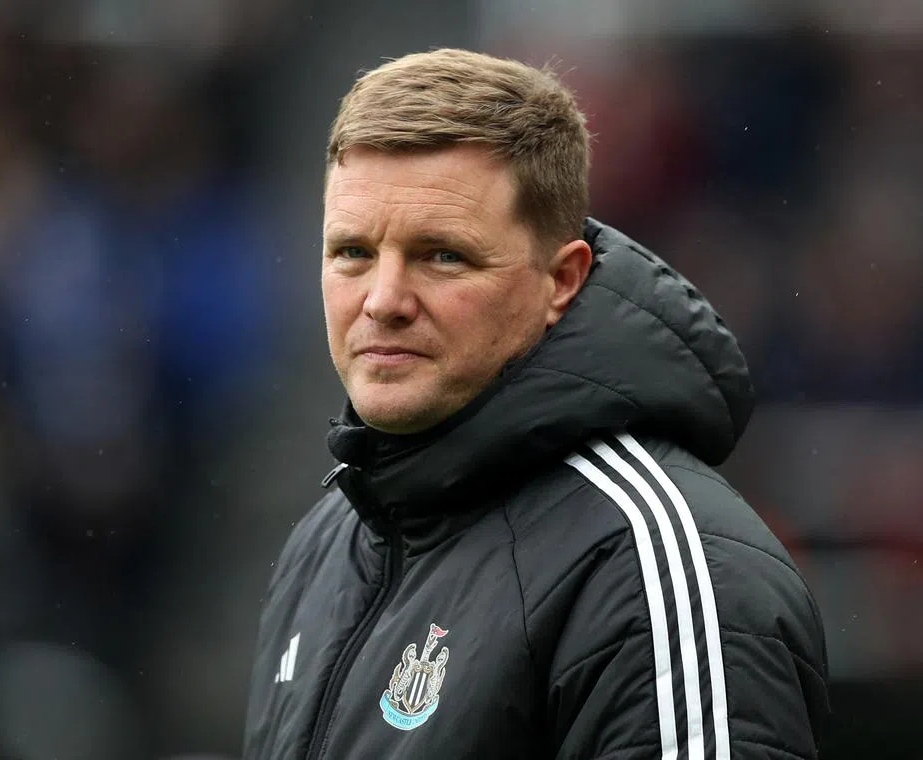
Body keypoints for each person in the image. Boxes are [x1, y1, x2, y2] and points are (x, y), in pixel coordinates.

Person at [242, 48, 829, 759]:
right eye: (353, 253)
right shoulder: (327, 540)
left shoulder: (658, 565)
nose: (383, 301)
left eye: (442, 255)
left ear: (562, 281)